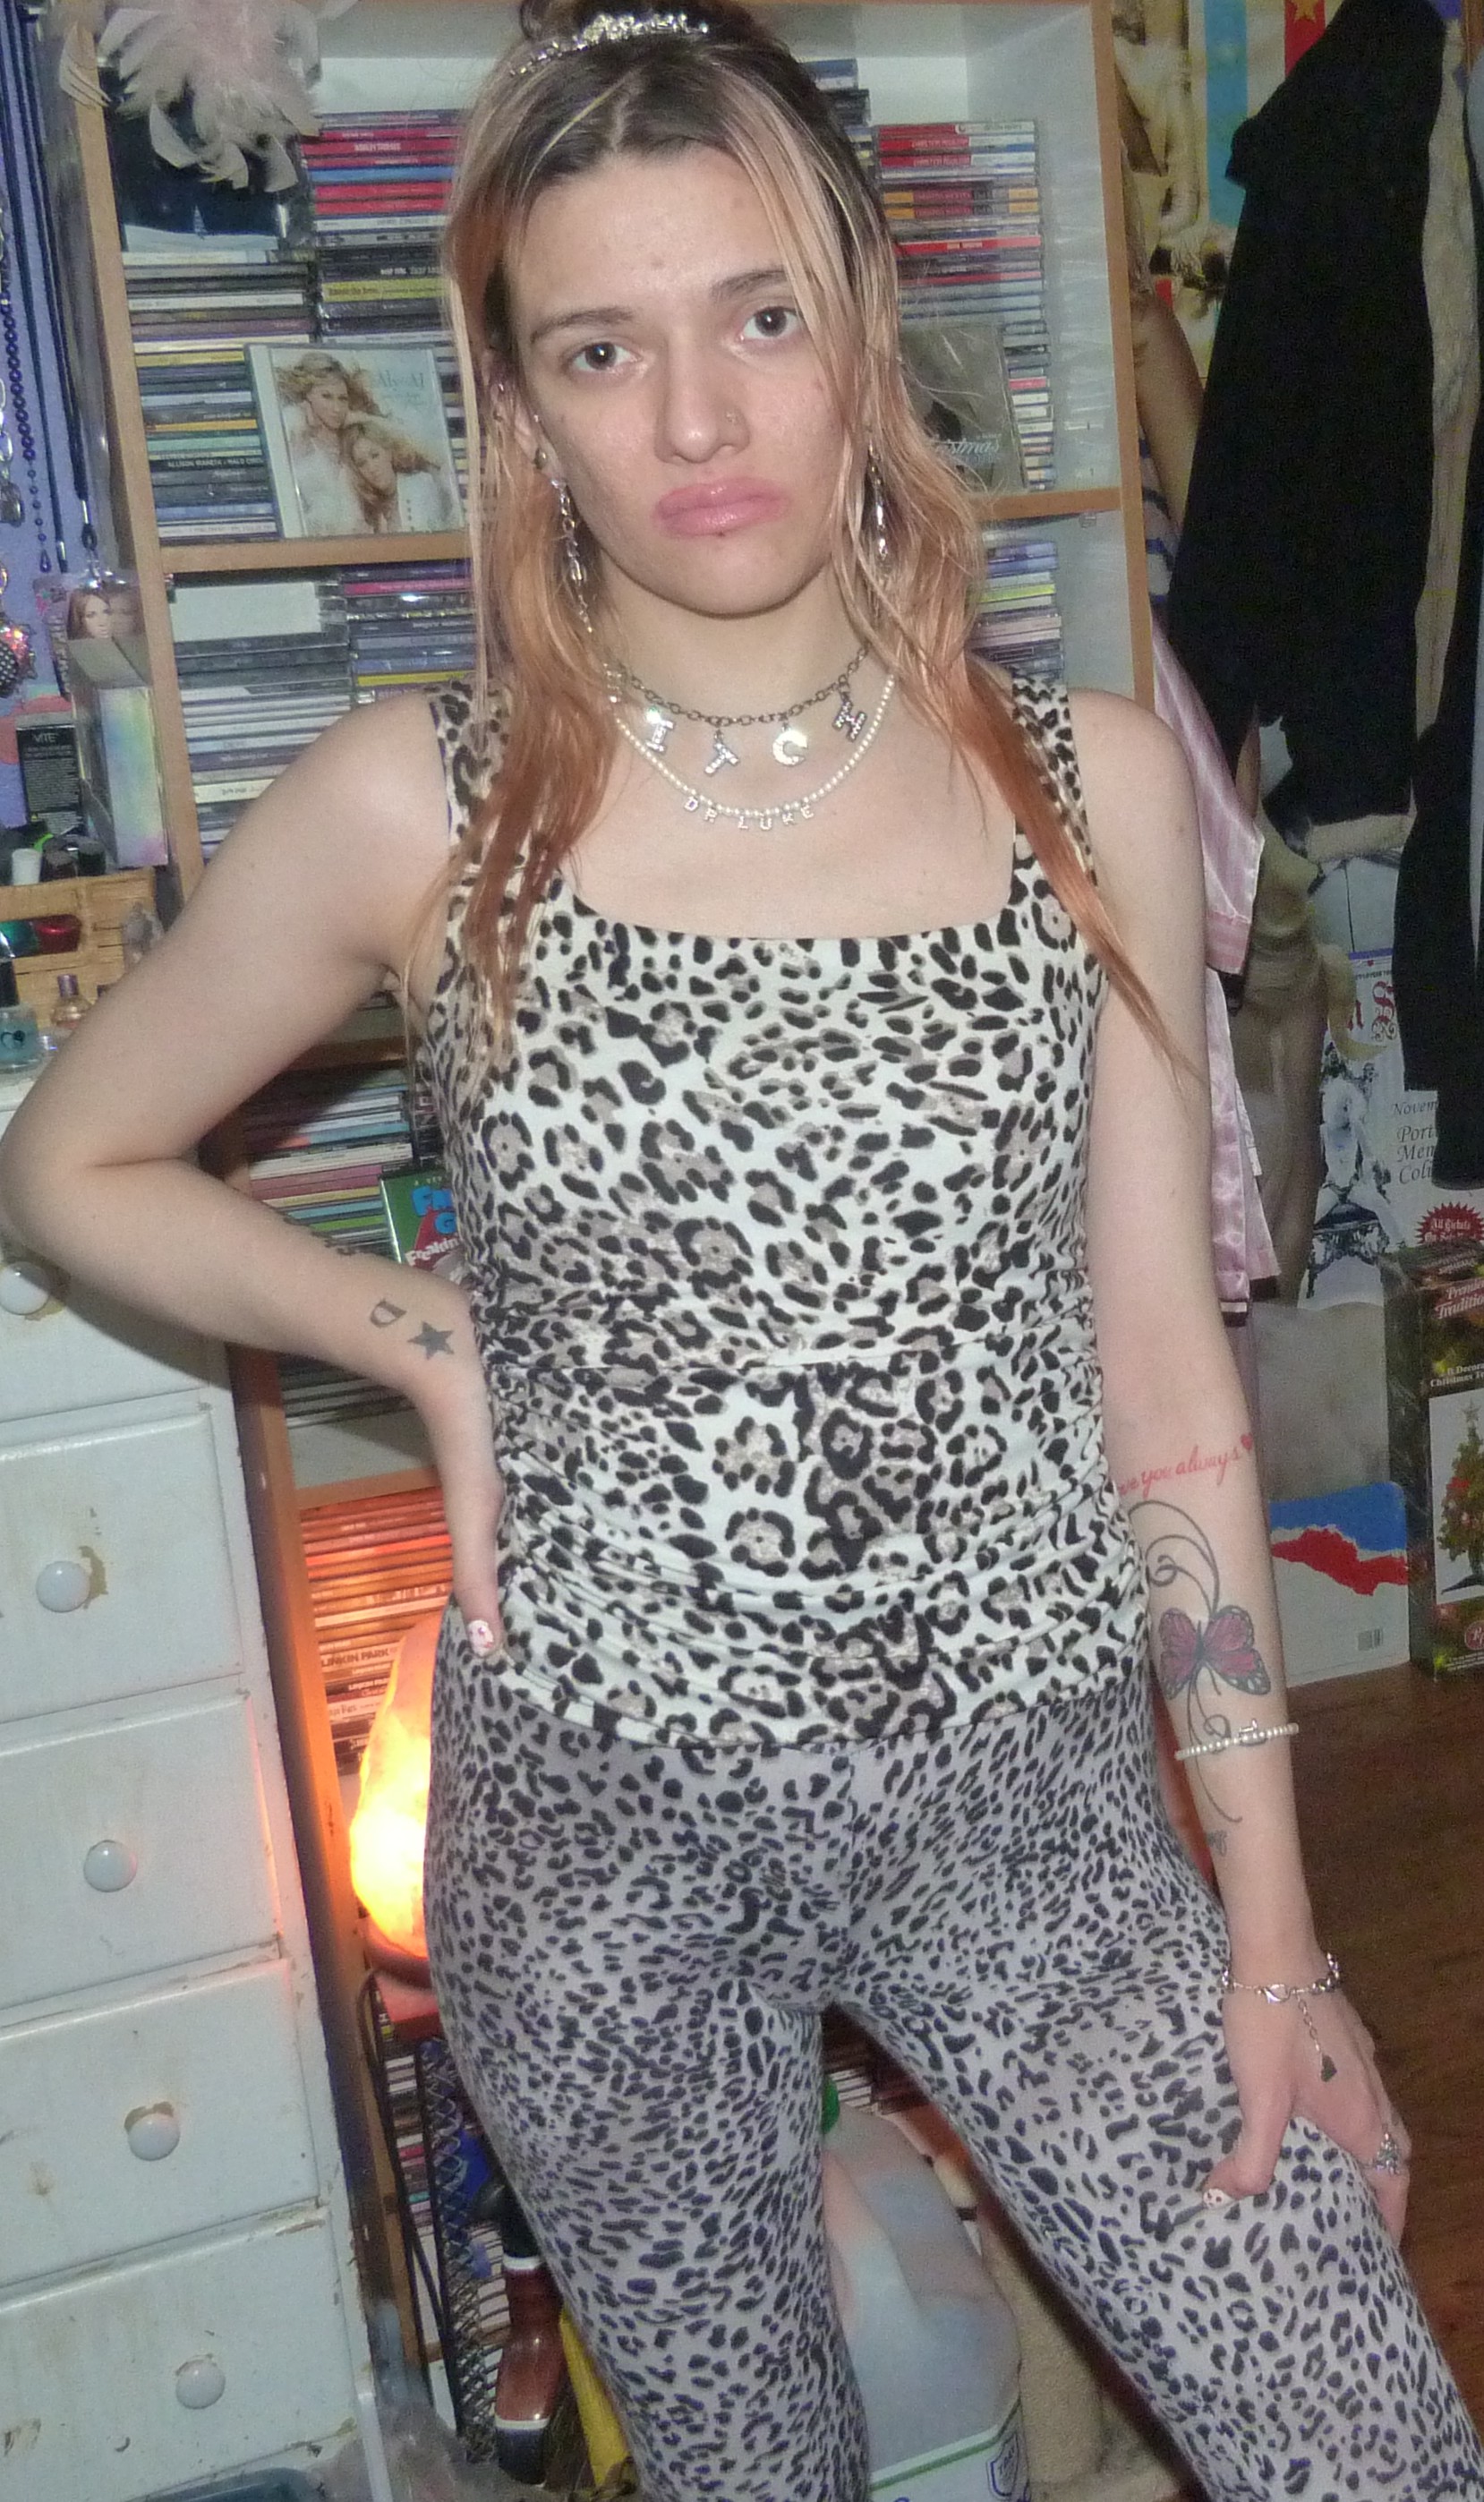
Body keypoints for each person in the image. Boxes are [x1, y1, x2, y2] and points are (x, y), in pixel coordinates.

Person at [1, 8, 1480, 2498]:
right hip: (596, 1841)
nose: (695, 419)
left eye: (757, 315)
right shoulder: (417, 804)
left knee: (1363, 2439)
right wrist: (417, 1332)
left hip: (1023, 1801)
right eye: (602, 347)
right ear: (521, 408)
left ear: (862, 328)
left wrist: (1270, 1933)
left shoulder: (1089, 783)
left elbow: (1165, 1386)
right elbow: (73, 1156)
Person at [274, 350, 380, 535]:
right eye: (326, 396)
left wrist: (364, 418)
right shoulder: (296, 434)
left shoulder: (357, 439)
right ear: (307, 396)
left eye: (342, 399)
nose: (336, 408)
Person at [342, 415, 462, 534]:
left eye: (375, 455)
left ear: (388, 452)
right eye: (362, 463)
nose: (371, 468)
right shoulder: (368, 510)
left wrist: (366, 418)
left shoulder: (420, 484)